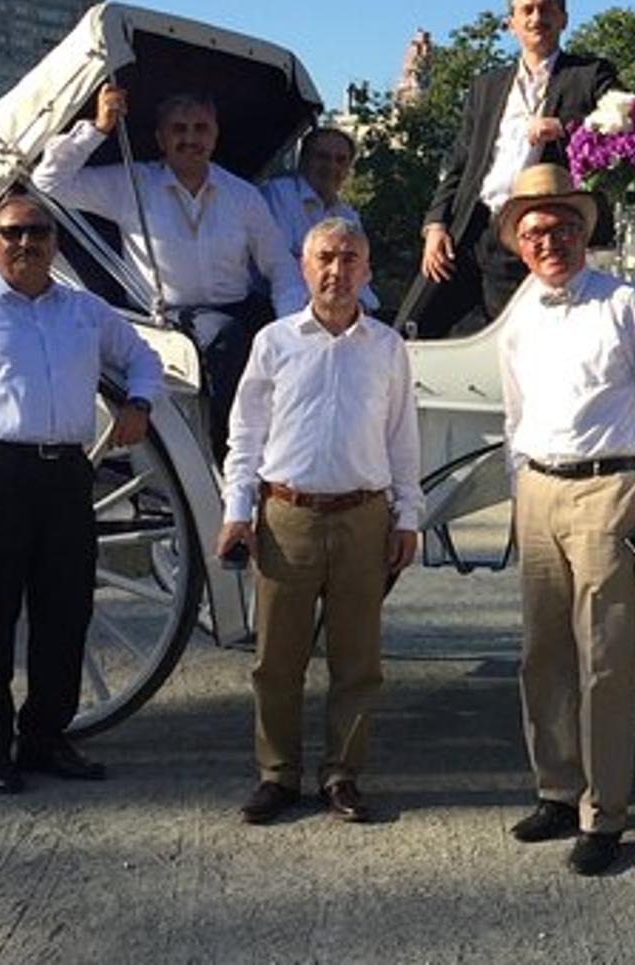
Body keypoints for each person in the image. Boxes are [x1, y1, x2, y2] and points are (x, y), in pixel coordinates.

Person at [0, 194, 164, 793]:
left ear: (55, 242)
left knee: (66, 611)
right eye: (12, 233)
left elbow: (144, 359)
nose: (26, 242)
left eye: (38, 232)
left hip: (66, 474)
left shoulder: (86, 311)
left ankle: (46, 737)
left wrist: (140, 403)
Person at [494, 163, 635, 876]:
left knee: (605, 658)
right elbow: (514, 413)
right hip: (539, 489)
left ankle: (603, 814)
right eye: (536, 232)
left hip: (608, 490)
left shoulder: (625, 303)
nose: (550, 242)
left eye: (563, 228)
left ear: (584, 232)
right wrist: (520, 490)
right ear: (521, 244)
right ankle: (556, 788)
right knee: (541, 654)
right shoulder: (519, 316)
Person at [217, 218, 423, 825]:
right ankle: (277, 774)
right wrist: (237, 512)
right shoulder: (275, 342)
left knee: (357, 661)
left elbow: (403, 438)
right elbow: (245, 435)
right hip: (288, 517)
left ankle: (342, 775)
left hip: (363, 517)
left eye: (350, 259)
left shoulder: (386, 347)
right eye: (326, 258)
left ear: (367, 271)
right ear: (305, 268)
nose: (337, 270)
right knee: (276, 660)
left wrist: (407, 516)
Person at [31, 87, 304, 447]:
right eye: (179, 129)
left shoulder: (242, 196)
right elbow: (49, 182)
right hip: (168, 317)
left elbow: (279, 265)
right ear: (160, 138)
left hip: (237, 308)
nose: (190, 139)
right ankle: (230, 448)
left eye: (200, 129)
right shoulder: (131, 184)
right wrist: (98, 128)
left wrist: (293, 325)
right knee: (224, 334)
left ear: (215, 135)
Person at [398, 0, 617, 338]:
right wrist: (435, 224)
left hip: (539, 230)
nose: (537, 18)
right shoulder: (486, 86)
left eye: (546, 9)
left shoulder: (590, 75)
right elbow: (460, 161)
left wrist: (565, 127)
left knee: (521, 339)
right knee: (412, 329)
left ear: (563, 18)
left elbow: (629, 125)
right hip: (473, 228)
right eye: (526, 10)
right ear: (511, 23)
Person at [261, 125, 379, 313]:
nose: (332, 166)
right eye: (323, 157)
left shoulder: (348, 216)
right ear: (303, 161)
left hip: (332, 310)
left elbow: (360, 274)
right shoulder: (277, 195)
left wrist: (365, 308)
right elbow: (280, 266)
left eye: (341, 160)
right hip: (277, 307)